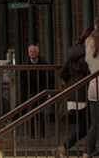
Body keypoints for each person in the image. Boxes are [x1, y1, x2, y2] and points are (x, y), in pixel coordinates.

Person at [55, 26, 93, 158]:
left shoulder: (73, 53)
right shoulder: (88, 53)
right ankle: (86, 151)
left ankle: (65, 148)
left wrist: (71, 84)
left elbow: (63, 72)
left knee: (85, 126)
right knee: (92, 125)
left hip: (72, 94)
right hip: (84, 94)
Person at [19, 44, 54, 137]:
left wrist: (48, 89)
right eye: (30, 52)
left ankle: (42, 132)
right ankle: (32, 133)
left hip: (42, 90)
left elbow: (48, 77)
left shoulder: (43, 63)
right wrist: (25, 90)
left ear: (37, 53)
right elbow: (22, 79)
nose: (32, 53)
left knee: (42, 112)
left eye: (34, 51)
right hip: (30, 91)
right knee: (30, 112)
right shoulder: (25, 64)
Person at [83, 17, 99, 158]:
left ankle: (86, 152)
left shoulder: (89, 42)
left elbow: (88, 61)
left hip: (94, 87)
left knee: (95, 123)